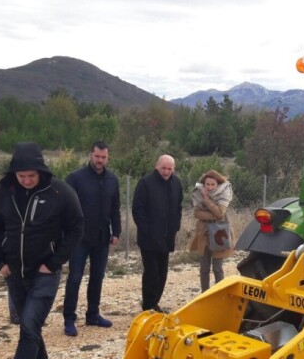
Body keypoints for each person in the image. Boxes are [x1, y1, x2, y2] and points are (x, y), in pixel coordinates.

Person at [0, 142, 83, 359]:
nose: (27, 180)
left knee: (28, 327)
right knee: (30, 326)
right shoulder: (4, 192)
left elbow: (76, 227)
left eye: (31, 175)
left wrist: (53, 262)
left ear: (41, 171)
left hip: (45, 273)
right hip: (14, 272)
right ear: (14, 173)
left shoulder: (59, 192)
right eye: (22, 176)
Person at [62, 140, 121, 337]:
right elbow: (65, 208)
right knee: (75, 278)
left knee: (97, 277)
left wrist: (116, 232)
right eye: (97, 156)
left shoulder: (112, 179)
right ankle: (69, 318)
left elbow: (115, 208)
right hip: (79, 238)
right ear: (90, 155)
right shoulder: (75, 178)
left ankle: (93, 315)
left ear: (108, 157)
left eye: (103, 157)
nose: (100, 160)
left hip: (102, 237)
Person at [132, 155, 182, 312]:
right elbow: (137, 209)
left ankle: (155, 303)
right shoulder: (146, 182)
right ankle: (148, 306)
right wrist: (147, 230)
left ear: (173, 169)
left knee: (162, 273)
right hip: (149, 239)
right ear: (157, 166)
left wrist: (176, 226)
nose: (166, 171)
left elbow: (178, 206)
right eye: (163, 168)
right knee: (151, 273)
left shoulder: (176, 183)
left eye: (169, 169)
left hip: (167, 238)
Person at [189, 170, 234, 292]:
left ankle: (220, 294)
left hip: (219, 234)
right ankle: (205, 294)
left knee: (217, 269)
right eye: (207, 184)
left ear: (217, 184)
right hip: (203, 235)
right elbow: (197, 213)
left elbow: (220, 212)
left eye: (212, 184)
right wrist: (215, 215)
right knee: (204, 269)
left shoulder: (224, 193)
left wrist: (207, 201)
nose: (209, 187)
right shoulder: (199, 193)